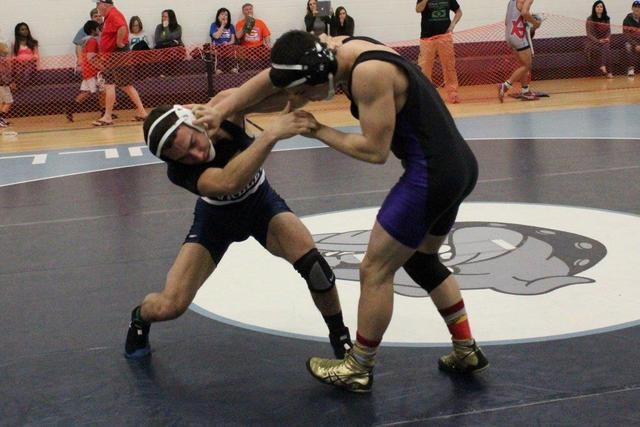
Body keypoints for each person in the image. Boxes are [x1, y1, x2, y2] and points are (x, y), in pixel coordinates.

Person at [190, 30, 489, 393]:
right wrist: (222, 108)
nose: (298, 99)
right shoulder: (336, 47)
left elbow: (374, 151)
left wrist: (317, 129)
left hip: (431, 176)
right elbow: (274, 76)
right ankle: (466, 348)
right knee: (422, 261)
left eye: (302, 93)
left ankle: (359, 366)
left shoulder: (368, 73)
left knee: (375, 269)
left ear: (319, 79)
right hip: (459, 166)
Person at [125, 94, 353, 361]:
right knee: (171, 305)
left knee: (316, 269)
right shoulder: (178, 172)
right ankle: (140, 318)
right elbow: (227, 182)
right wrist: (271, 134)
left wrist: (294, 94)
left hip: (261, 204)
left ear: (193, 120)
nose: (197, 155)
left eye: (193, 143)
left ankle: (341, 341)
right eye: (185, 157)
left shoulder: (223, 108)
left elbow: (273, 95)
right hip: (215, 220)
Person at [92, 0, 147, 127]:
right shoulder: (109, 16)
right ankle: (140, 113)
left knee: (121, 84)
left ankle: (108, 116)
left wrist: (119, 42)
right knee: (116, 84)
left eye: (98, 4)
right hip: (113, 55)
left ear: (105, 4)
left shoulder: (113, 14)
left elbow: (122, 26)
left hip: (118, 54)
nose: (97, 7)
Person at [415, 0, 462, 104]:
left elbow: (459, 11)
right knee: (425, 68)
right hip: (427, 38)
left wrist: (452, 25)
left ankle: (453, 94)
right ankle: (425, 95)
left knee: (449, 66)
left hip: (444, 37)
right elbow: (418, 10)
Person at [498, 0, 542, 102]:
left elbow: (506, 21)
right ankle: (505, 86)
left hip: (509, 35)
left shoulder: (511, 1)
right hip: (518, 35)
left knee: (522, 65)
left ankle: (525, 91)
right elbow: (524, 13)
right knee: (527, 65)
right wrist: (535, 23)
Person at [65, 20, 101, 123]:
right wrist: (101, 67)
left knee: (86, 92)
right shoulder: (92, 41)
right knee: (103, 91)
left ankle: (70, 109)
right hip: (92, 71)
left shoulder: (84, 41)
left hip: (87, 70)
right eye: (98, 28)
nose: (99, 30)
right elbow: (91, 57)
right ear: (93, 30)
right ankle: (105, 112)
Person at [235, 3, 271, 71]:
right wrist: (247, 23)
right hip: (246, 48)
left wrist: (268, 44)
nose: (249, 11)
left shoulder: (260, 22)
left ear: (252, 10)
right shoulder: (240, 23)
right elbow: (238, 36)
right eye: (246, 10)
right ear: (243, 12)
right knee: (254, 63)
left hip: (259, 47)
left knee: (270, 56)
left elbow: (266, 35)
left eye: (250, 9)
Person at [586, 1, 613, 79]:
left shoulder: (606, 18)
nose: (599, 8)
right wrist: (598, 41)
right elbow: (589, 34)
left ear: (603, 8)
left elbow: (609, 31)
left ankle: (603, 66)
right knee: (606, 48)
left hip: (603, 41)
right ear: (594, 8)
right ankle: (609, 72)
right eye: (597, 6)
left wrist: (607, 38)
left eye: (601, 6)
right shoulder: (590, 19)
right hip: (592, 43)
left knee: (606, 46)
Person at [209, 7, 237, 74]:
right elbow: (216, 36)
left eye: (226, 15)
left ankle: (233, 68)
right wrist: (222, 25)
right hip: (217, 47)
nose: (224, 16)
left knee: (231, 50)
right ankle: (218, 69)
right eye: (222, 14)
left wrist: (228, 43)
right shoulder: (213, 25)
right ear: (218, 16)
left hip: (228, 46)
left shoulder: (231, 26)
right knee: (218, 51)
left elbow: (233, 40)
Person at [12, 22, 39, 89]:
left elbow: (36, 55)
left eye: (26, 29)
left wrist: (29, 61)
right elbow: (13, 56)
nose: (25, 31)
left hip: (30, 64)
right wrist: (18, 61)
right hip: (19, 64)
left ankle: (24, 85)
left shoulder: (33, 42)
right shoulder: (15, 43)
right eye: (22, 29)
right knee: (18, 69)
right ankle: (19, 86)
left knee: (27, 69)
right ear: (18, 31)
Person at [623, 0, 640, 77]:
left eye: (639, 7)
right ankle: (631, 69)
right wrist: (636, 45)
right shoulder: (627, 19)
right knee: (628, 46)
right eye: (635, 7)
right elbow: (626, 35)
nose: (637, 9)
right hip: (631, 41)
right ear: (632, 8)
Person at [0, 39, 14, 127]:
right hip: (3, 85)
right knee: (9, 101)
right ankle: (0, 117)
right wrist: (9, 82)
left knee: (2, 102)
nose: (8, 49)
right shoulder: (3, 61)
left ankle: (1, 119)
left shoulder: (4, 60)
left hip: (3, 84)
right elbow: (3, 74)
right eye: (6, 47)